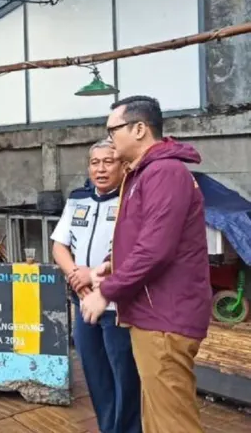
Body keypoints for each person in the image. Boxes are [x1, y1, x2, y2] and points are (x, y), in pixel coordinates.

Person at [81, 95, 211, 433]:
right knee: (156, 417)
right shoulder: (144, 174)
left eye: (113, 130)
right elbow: (146, 239)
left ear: (139, 129)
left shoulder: (165, 172)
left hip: (166, 318)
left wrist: (105, 292)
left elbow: (156, 249)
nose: (110, 139)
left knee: (172, 423)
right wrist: (112, 264)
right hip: (153, 315)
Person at [51, 140, 140, 433]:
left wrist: (93, 276)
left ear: (123, 165)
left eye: (108, 162)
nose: (100, 169)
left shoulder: (132, 199)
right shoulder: (78, 199)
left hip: (117, 306)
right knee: (96, 376)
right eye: (94, 162)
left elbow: (134, 251)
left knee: (124, 378)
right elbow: (59, 245)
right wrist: (77, 274)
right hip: (83, 302)